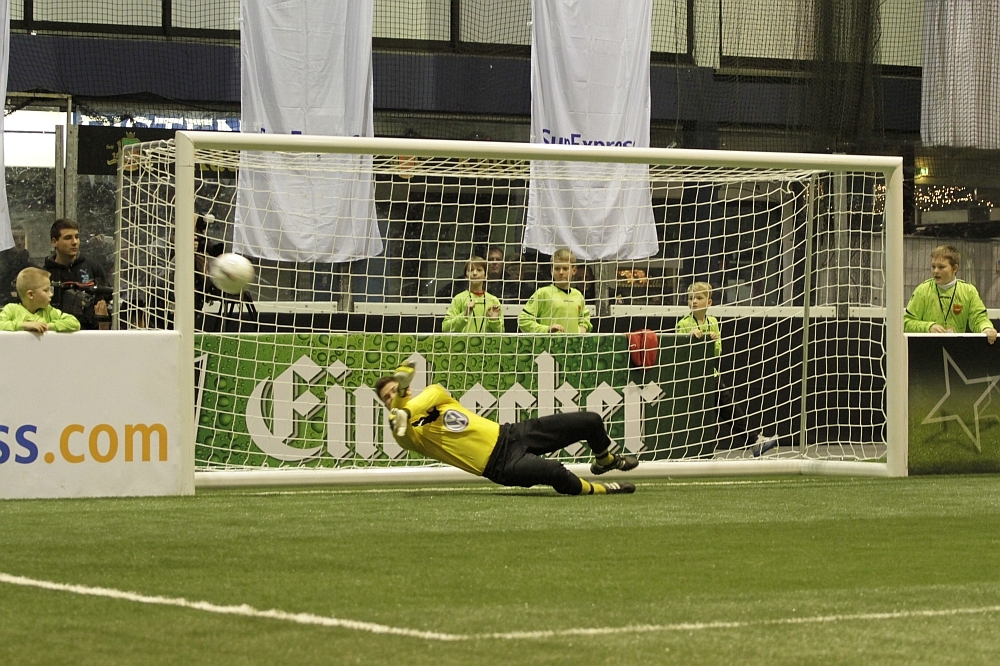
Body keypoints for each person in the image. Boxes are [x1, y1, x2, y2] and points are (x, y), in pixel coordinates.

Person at [375, 362, 639, 495]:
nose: (391, 399)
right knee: (556, 472)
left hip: (512, 433)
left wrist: (404, 404)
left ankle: (604, 460)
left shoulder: (434, 395)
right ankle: (603, 489)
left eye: (393, 392)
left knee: (590, 420)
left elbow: (427, 396)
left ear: (407, 388)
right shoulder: (407, 436)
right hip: (500, 465)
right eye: (386, 398)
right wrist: (400, 409)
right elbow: (400, 426)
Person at [675, 281, 777, 456]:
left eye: (699, 298)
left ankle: (753, 441)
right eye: (691, 298)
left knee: (728, 409)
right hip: (692, 379)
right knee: (710, 414)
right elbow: (679, 351)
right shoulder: (683, 324)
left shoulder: (713, 322)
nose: (694, 301)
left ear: (709, 303)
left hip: (712, 377)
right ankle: (750, 441)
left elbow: (718, 351)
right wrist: (689, 339)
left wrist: (713, 340)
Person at [904, 244, 997, 345]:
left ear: (955, 269)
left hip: (956, 350)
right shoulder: (922, 290)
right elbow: (907, 323)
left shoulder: (969, 291)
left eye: (941, 267)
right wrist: (928, 327)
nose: (935, 271)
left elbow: (979, 318)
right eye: (933, 266)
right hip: (927, 349)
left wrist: (986, 328)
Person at [44, 219, 111, 330]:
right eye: (68, 238)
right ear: (54, 242)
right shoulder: (45, 274)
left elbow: (105, 305)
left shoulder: (93, 268)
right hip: (57, 334)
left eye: (76, 237)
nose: (74, 242)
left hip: (90, 335)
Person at [518, 248, 592, 333]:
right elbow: (523, 321)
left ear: (574, 270)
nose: (561, 272)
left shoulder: (578, 295)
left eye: (565, 268)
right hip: (549, 345)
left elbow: (585, 319)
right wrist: (547, 329)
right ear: (551, 270)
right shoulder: (542, 293)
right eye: (557, 269)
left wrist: (581, 330)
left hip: (572, 346)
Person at [0, 267, 80, 333]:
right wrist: (23, 325)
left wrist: (49, 326)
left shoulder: (49, 311)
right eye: (46, 290)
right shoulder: (12, 309)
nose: (51, 294)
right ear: (30, 295)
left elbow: (74, 323)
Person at [441, 256, 504, 333]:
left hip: (486, 344)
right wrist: (464, 315)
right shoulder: (459, 299)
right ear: (465, 276)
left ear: (485, 276)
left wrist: (494, 321)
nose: (474, 273)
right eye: (470, 270)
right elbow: (445, 328)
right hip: (464, 344)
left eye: (479, 270)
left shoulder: (493, 301)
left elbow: (501, 333)